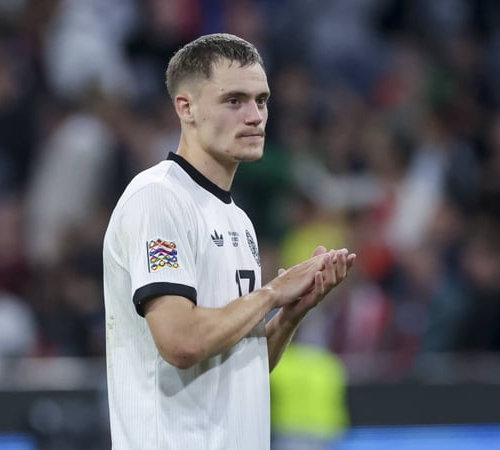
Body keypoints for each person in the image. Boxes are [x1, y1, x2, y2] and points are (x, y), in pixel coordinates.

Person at [102, 33, 356, 450]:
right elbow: (181, 342)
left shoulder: (238, 220)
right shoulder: (159, 198)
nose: (255, 117)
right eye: (234, 100)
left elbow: (239, 368)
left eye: (262, 100)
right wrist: (272, 293)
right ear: (186, 108)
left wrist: (290, 313)